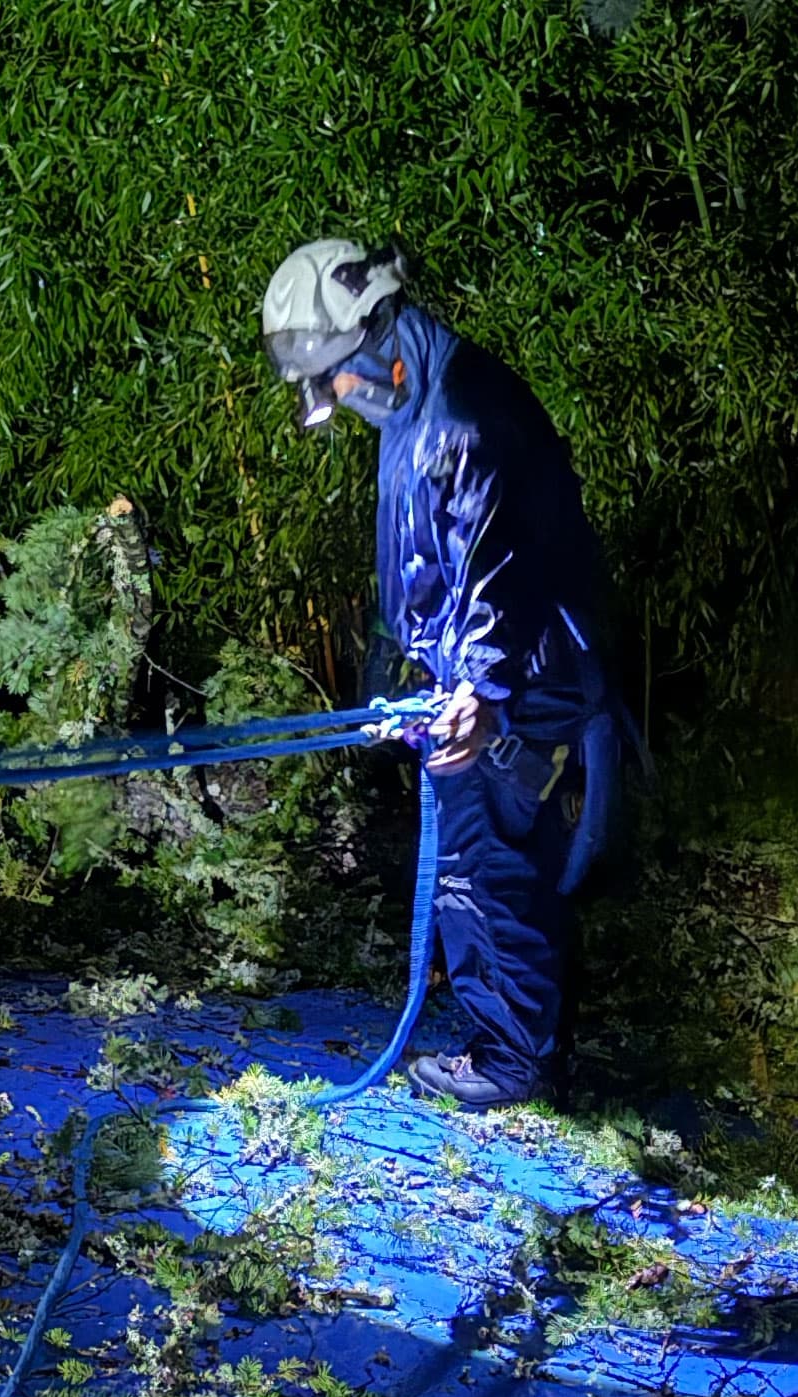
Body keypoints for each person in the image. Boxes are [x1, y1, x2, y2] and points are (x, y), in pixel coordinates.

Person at [260, 238, 630, 1109]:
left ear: (379, 327)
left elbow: (500, 565)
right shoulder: (411, 409)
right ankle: (521, 1045)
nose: (333, 396)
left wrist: (481, 693)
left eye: (335, 375)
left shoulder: (463, 415)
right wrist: (393, 670)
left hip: (525, 679)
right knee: (483, 858)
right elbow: (420, 558)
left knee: (486, 867)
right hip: (475, 671)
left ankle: (514, 1061)